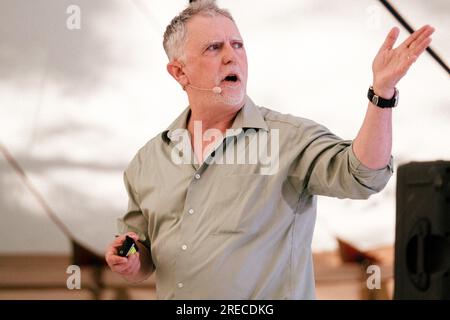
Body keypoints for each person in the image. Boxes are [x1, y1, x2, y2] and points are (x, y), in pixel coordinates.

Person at [105, 0, 434, 299]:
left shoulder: (289, 138)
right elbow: (142, 251)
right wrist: (131, 261)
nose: (232, 56)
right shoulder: (148, 161)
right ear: (179, 72)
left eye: (237, 45)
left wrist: (382, 93)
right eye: (213, 48)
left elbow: (364, 175)